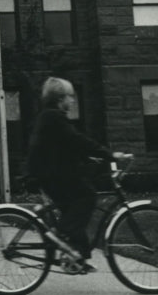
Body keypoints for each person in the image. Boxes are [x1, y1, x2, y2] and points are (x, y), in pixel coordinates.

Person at [25, 77, 122, 271]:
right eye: (71, 96)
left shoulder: (50, 116)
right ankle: (59, 234)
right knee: (87, 196)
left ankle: (76, 259)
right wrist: (109, 154)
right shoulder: (54, 116)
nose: (73, 101)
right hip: (51, 174)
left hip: (48, 172)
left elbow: (67, 146)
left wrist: (89, 159)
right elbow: (77, 140)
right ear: (60, 99)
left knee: (74, 209)